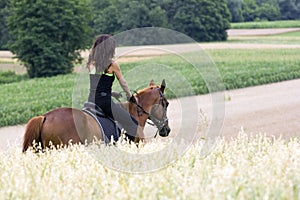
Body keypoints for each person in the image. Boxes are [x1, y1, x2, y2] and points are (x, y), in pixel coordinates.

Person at [86, 34, 140, 141]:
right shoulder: (112, 64)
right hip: (104, 102)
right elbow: (123, 82)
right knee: (132, 124)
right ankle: (126, 147)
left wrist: (112, 93)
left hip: (91, 100)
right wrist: (130, 96)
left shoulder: (91, 63)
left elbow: (97, 85)